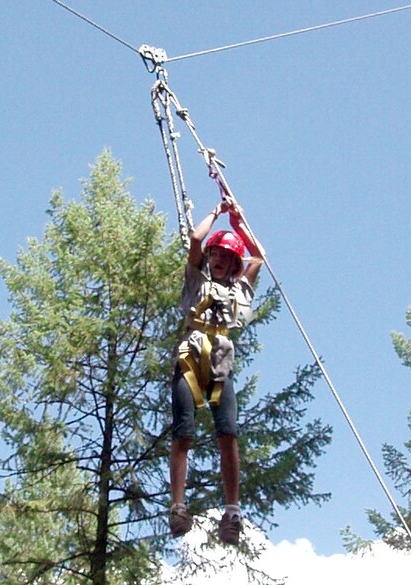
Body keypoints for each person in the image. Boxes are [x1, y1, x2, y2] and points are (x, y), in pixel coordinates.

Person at [169, 195, 263, 545]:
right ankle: (178, 505)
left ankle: (232, 511)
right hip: (192, 357)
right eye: (216, 255)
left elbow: (259, 256)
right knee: (184, 433)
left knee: (228, 434)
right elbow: (195, 240)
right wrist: (216, 212)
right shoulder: (197, 280)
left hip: (220, 361)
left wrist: (239, 220)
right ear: (209, 259)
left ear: (234, 263)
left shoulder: (240, 290)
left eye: (227, 257)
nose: (220, 260)